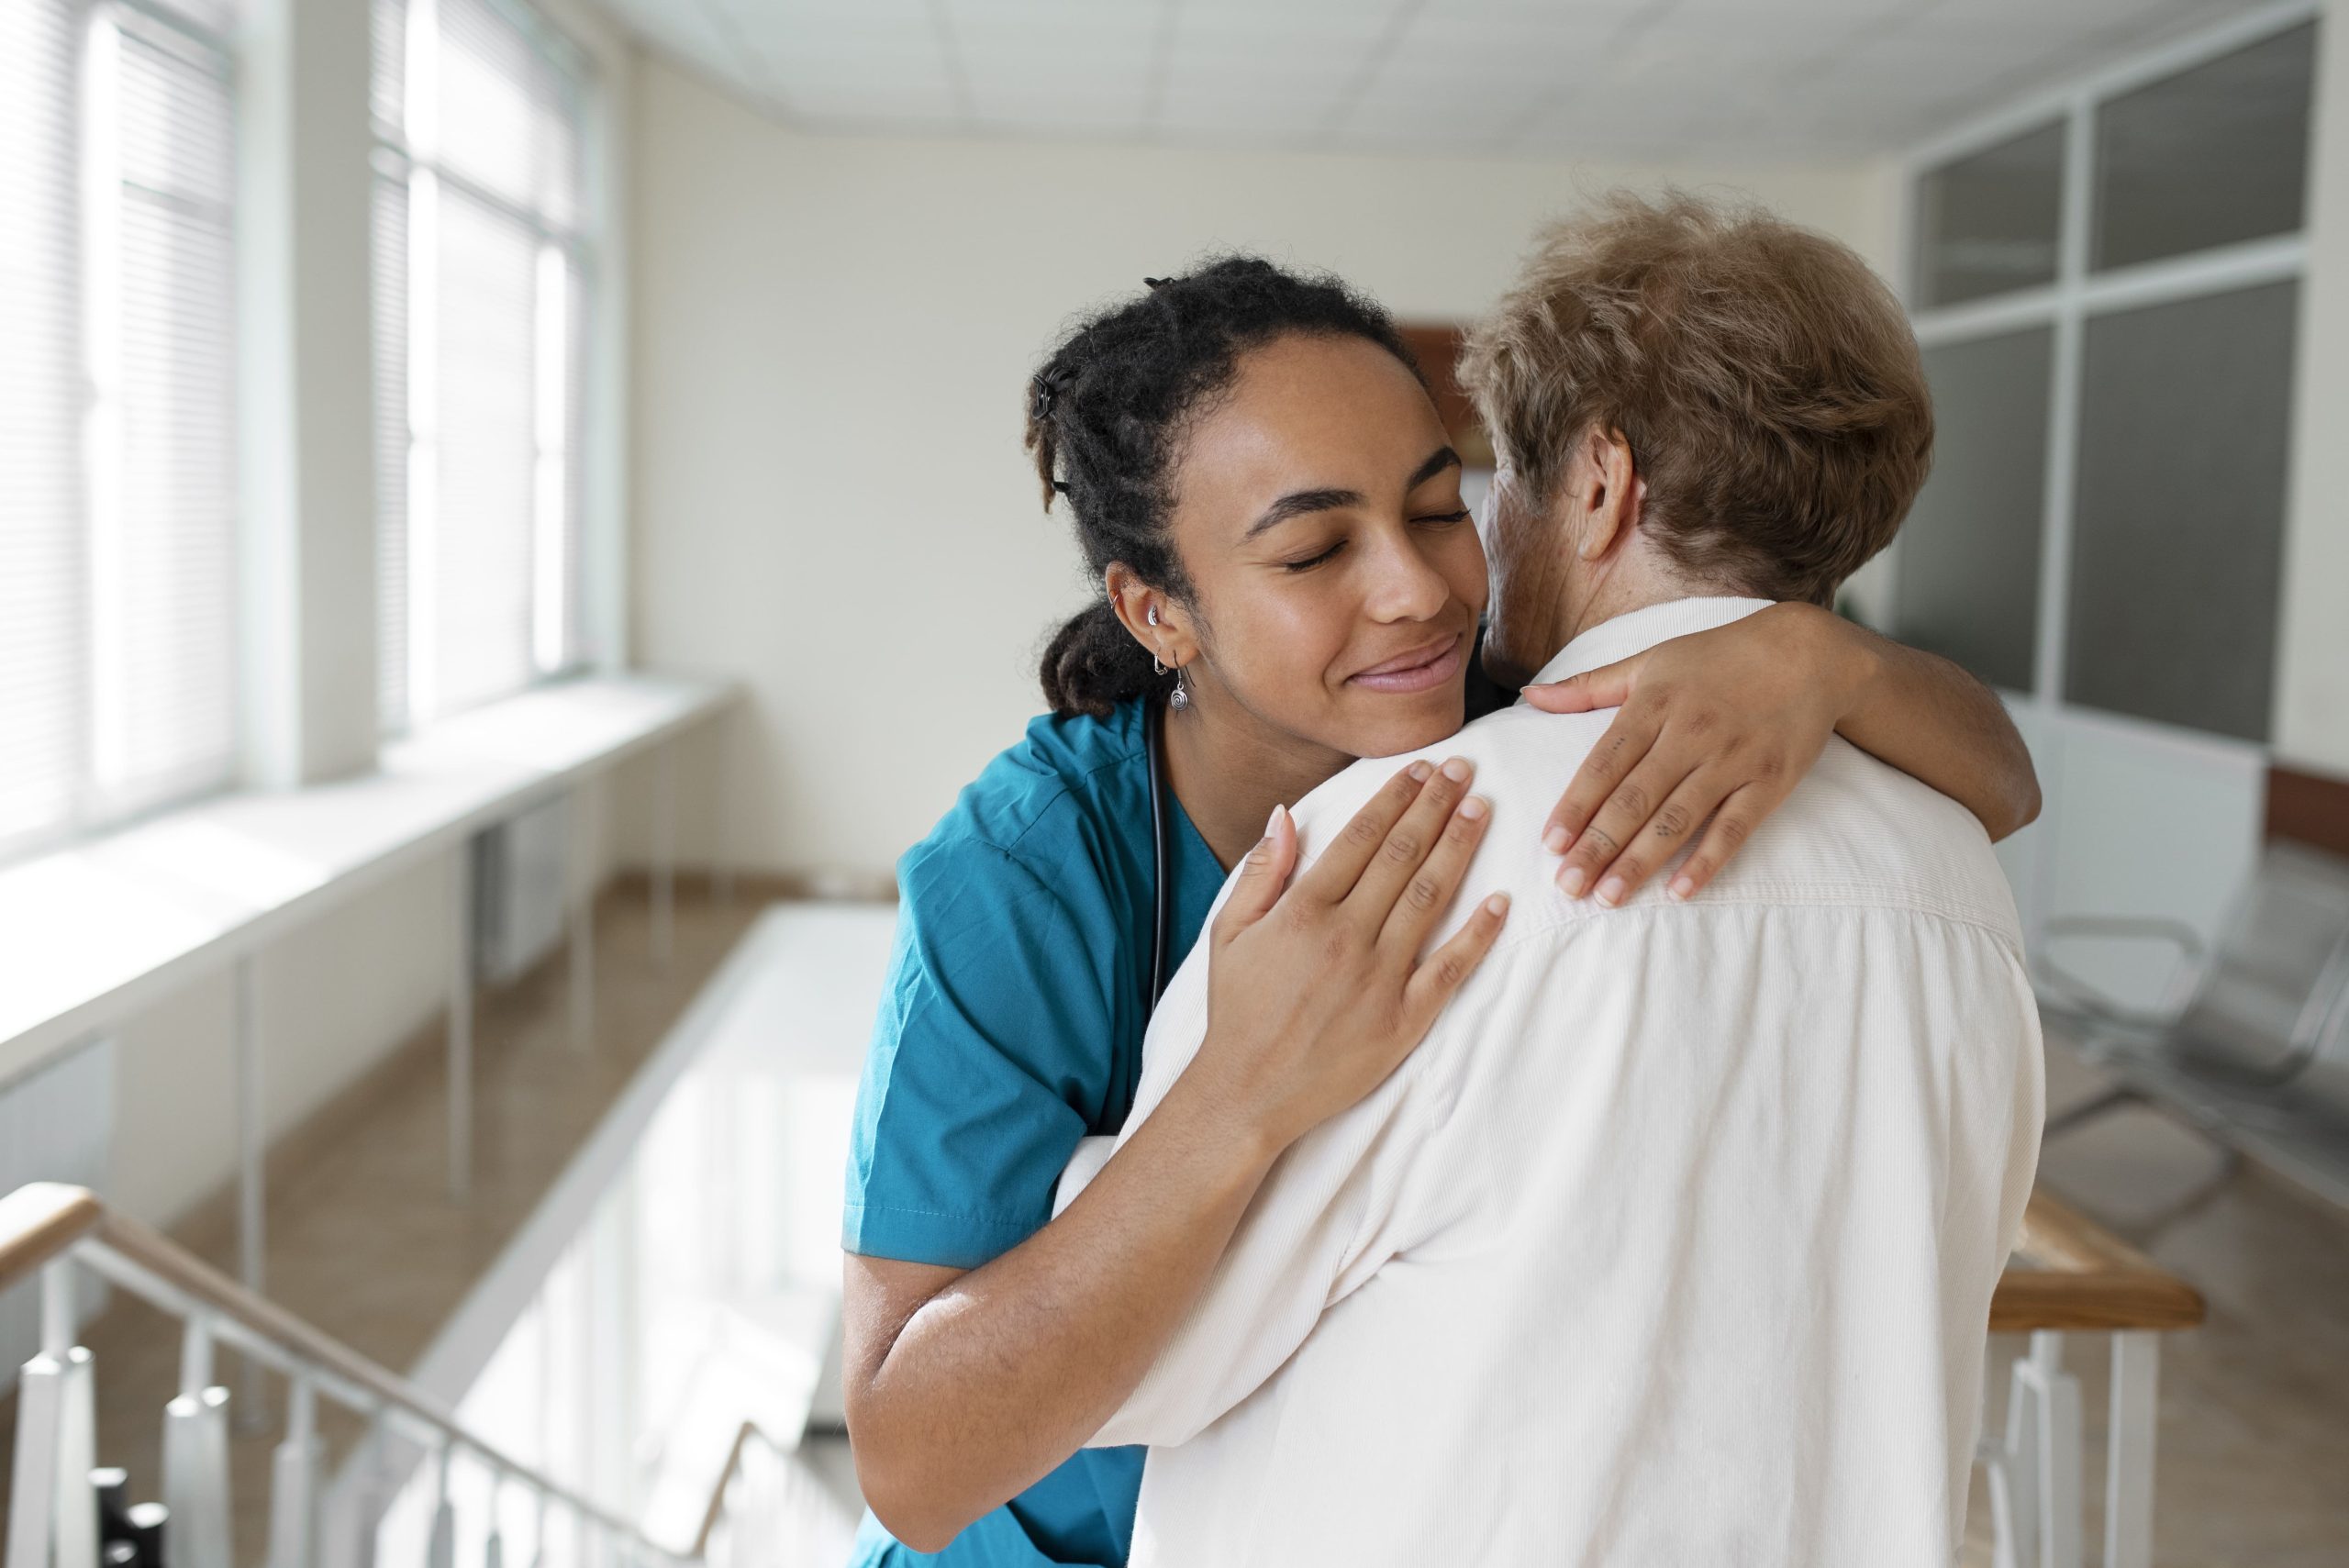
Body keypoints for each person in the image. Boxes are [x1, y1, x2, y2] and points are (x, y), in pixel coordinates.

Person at [841, 253, 2041, 1566]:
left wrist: (1828, 653)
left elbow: (2003, 781)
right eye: (1312, 549)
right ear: (1156, 611)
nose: (1418, 590)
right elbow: (909, 1455)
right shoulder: (1031, 868)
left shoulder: (1503, 731)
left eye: (1438, 507)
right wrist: (1240, 1095)